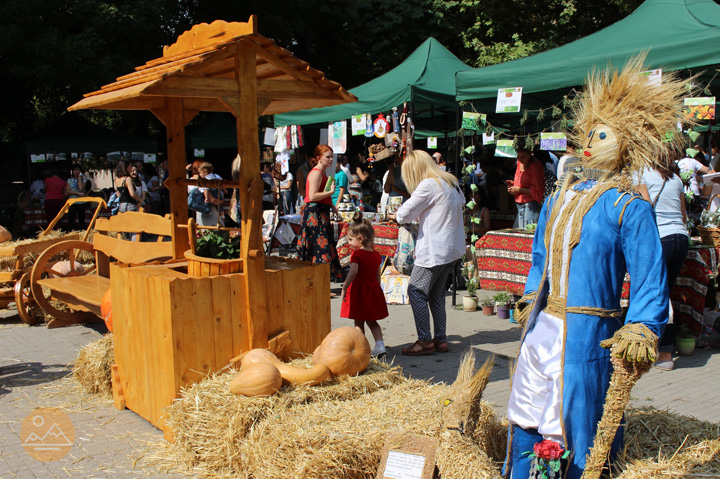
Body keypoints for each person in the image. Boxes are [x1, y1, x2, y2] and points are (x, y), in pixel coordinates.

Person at [504, 56, 677, 479]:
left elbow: (649, 274)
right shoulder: (560, 198)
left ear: (625, 144)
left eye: (602, 135)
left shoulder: (629, 207)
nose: (589, 142)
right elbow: (540, 256)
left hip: (588, 333)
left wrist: (641, 327)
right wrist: (532, 294)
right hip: (543, 326)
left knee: (576, 413)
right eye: (589, 133)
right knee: (526, 407)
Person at [389, 150, 464, 356]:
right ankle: (440, 339)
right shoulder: (450, 182)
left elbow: (402, 214)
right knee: (437, 294)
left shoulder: (429, 184)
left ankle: (424, 340)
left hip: (435, 250)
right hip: (452, 249)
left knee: (416, 291)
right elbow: (460, 205)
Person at [637, 162, 688, 371]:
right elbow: (683, 215)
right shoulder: (675, 179)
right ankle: (661, 348)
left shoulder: (642, 175)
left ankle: (664, 353)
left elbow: (645, 210)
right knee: (665, 293)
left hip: (661, 239)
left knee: (660, 296)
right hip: (681, 238)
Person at [340, 211, 388, 357]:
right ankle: (380, 345)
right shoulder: (375, 254)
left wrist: (344, 287)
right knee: (372, 321)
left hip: (359, 292)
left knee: (359, 323)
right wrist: (377, 287)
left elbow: (353, 271)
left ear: (360, 238)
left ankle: (361, 348)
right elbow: (377, 274)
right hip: (372, 290)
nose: (348, 243)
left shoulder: (357, 255)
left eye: (350, 240)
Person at [297, 145, 341, 281]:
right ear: (318, 158)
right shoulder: (316, 173)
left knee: (321, 246)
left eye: (332, 157)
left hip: (319, 212)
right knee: (319, 247)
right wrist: (331, 193)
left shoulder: (321, 172)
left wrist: (331, 204)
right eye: (328, 157)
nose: (331, 159)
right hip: (314, 214)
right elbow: (312, 196)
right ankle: (319, 283)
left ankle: (320, 282)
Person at [506, 148, 544, 228]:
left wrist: (519, 189)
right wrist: (514, 185)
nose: (520, 159)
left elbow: (537, 190)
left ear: (530, 154)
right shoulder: (519, 163)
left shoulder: (535, 166)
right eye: (518, 157)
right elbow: (523, 183)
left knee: (527, 233)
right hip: (520, 204)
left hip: (530, 204)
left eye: (523, 157)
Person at [195, 162, 224, 227]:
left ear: (205, 172)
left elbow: (206, 189)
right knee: (219, 206)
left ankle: (221, 213)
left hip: (212, 197)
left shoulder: (205, 180)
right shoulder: (216, 176)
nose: (199, 174)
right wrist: (224, 190)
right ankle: (221, 212)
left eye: (200, 172)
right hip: (218, 194)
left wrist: (206, 198)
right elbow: (222, 182)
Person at [65, 165, 86, 230]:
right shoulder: (69, 180)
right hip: (72, 201)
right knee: (71, 218)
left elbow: (81, 188)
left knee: (81, 218)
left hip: (81, 202)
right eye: (75, 170)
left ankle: (82, 231)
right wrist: (77, 193)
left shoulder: (84, 180)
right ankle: (72, 231)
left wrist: (79, 179)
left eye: (78, 170)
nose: (76, 172)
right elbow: (68, 191)